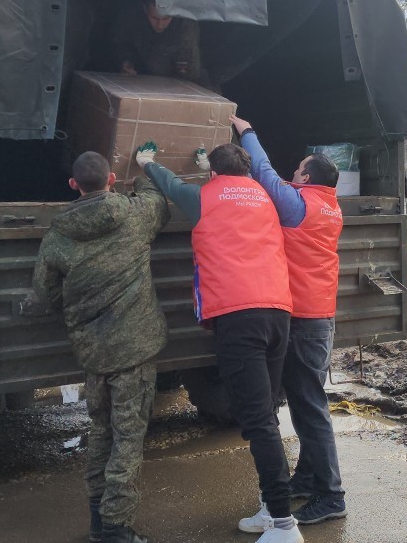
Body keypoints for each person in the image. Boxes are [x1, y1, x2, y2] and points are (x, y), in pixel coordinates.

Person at [136, 141, 303, 543]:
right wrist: (207, 168)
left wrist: (147, 163)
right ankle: (271, 508)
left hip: (238, 317)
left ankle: (283, 524)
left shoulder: (204, 196)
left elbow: (171, 186)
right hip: (279, 312)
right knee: (267, 415)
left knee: (259, 422)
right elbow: (232, 189)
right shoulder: (265, 194)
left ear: (213, 173)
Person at [23, 151, 170, 543]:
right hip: (135, 352)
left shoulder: (56, 236)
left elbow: (43, 295)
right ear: (110, 179)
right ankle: (116, 530)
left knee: (102, 433)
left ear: (73, 185)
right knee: (128, 440)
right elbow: (157, 198)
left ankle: (97, 521)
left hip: (93, 352)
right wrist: (141, 171)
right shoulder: (134, 215)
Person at [228, 115, 347, 529]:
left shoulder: (300, 205)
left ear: (308, 175)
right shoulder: (329, 206)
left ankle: (331, 495)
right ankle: (310, 477)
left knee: (311, 409)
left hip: (305, 319)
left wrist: (247, 133)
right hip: (317, 316)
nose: (291, 174)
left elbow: (262, 172)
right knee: (302, 401)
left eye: (297, 170)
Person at [108, 0, 202, 82]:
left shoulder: (185, 26)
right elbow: (121, 45)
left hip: (178, 85)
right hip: (137, 81)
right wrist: (126, 62)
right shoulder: (131, 18)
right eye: (154, 18)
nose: (160, 25)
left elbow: (190, 75)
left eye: (166, 18)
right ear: (145, 9)